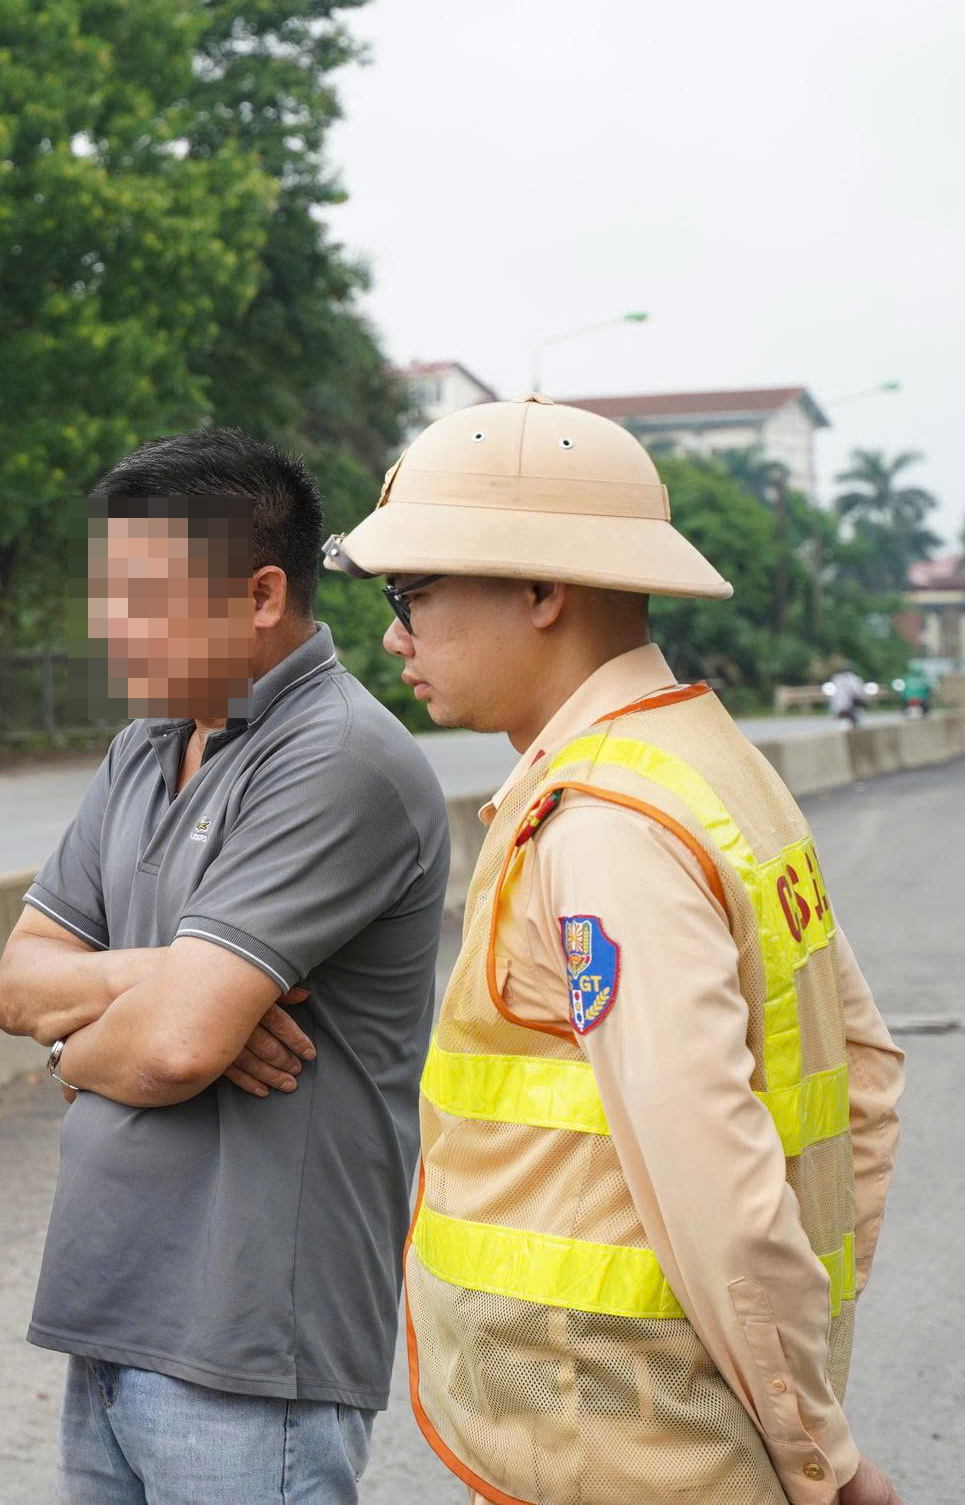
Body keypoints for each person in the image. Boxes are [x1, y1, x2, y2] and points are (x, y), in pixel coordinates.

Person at [325, 395, 905, 1505]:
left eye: (412, 594)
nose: (395, 636)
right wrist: (802, 1382)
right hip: (682, 1424)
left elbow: (715, 1183)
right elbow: (863, 1081)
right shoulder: (713, 764)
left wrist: (812, 1451)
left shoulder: (603, 826)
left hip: (629, 1442)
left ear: (542, 590)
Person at [0, 429, 449, 1505]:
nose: (110, 627)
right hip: (113, 1315)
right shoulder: (145, 746)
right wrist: (161, 980)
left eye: (142, 598)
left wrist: (83, 1042)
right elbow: (17, 984)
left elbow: (175, 1049)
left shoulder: (335, 757)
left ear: (259, 595)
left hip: (248, 1353)